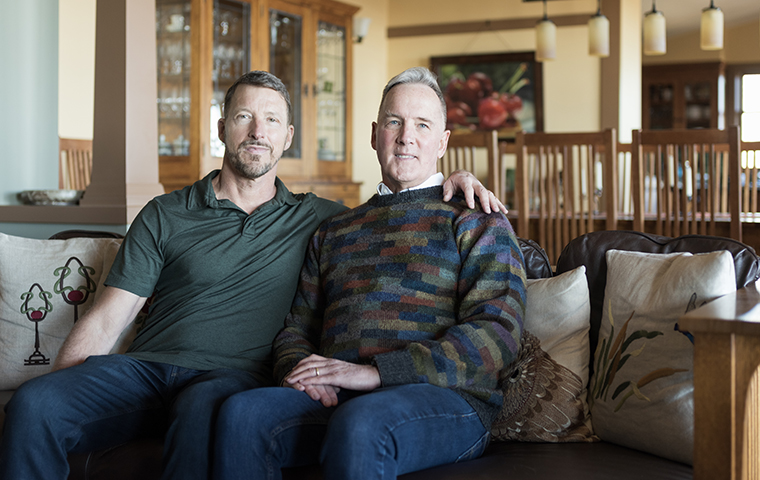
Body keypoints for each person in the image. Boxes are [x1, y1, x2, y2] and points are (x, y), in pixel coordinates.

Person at [0, 70, 503, 480]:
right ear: (222, 127)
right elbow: (113, 317)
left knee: (213, 413)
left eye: (271, 121)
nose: (257, 132)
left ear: (288, 137)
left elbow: (488, 325)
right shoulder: (334, 225)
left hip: (238, 378)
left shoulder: (340, 217)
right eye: (244, 117)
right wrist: (71, 387)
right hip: (155, 368)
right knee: (36, 404)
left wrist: (453, 182)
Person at [212, 67, 527, 480]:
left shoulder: (477, 221)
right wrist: (302, 372)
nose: (406, 136)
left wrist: (378, 373)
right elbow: (295, 328)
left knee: (362, 421)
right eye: (394, 122)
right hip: (335, 396)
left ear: (443, 142)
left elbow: (497, 334)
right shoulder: (335, 230)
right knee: (242, 413)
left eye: (422, 125)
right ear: (375, 134)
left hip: (444, 399)